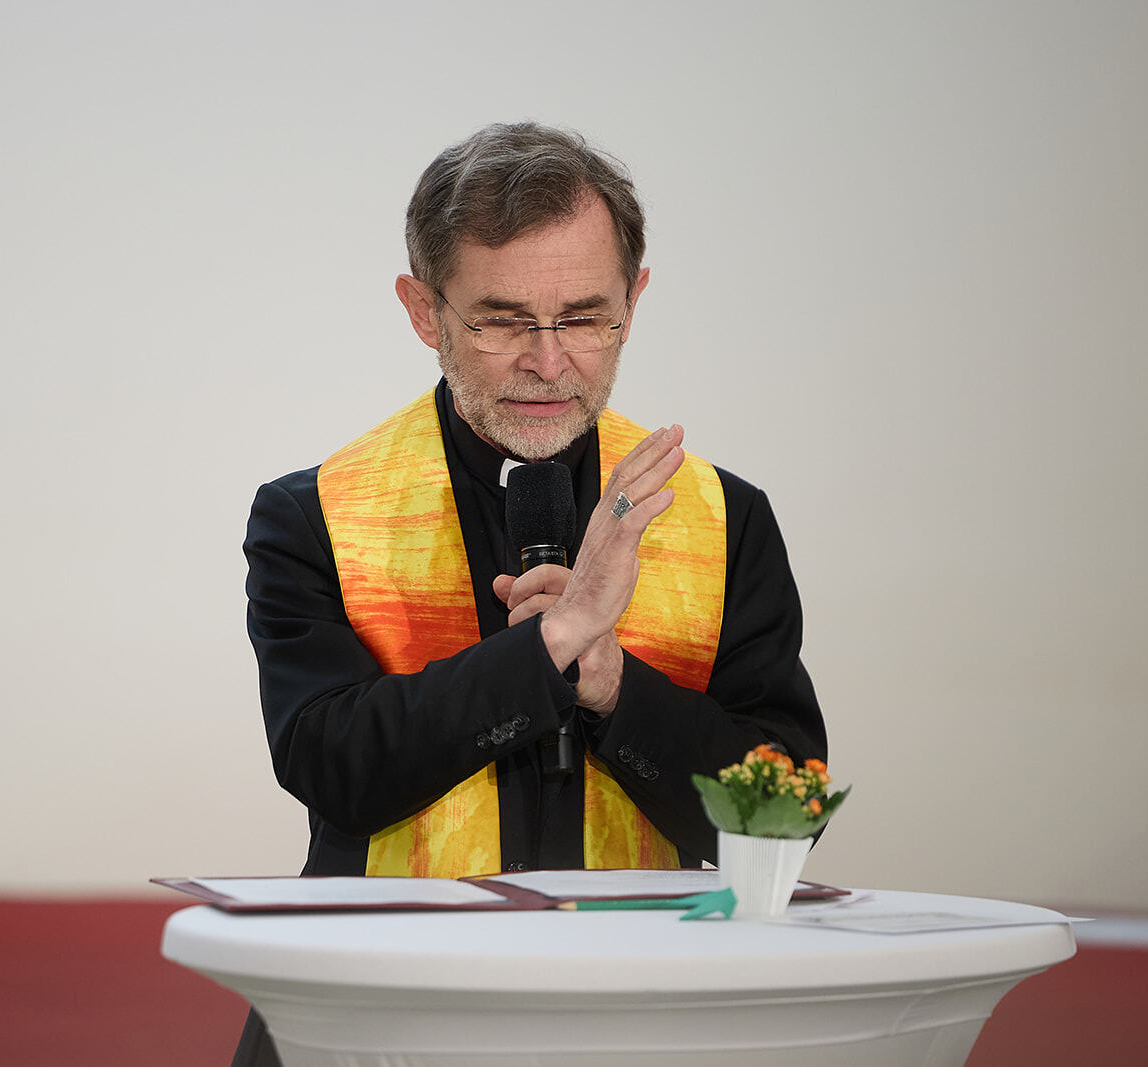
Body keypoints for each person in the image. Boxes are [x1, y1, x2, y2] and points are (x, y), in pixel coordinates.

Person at [233, 122, 825, 1063]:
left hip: (644, 1020)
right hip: (377, 1016)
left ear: (634, 300)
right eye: (503, 320)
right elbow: (334, 767)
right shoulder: (316, 515)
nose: (549, 363)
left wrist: (612, 686)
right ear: (424, 311)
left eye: (585, 318)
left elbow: (783, 815)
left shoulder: (725, 518)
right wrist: (548, 646)